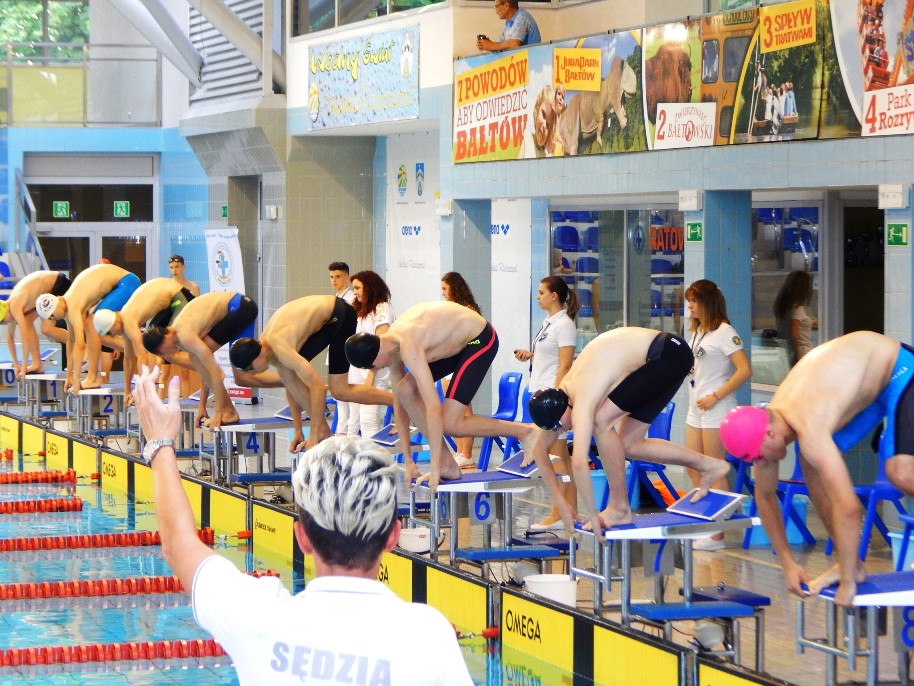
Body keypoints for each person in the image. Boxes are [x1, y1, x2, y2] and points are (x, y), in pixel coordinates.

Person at [130, 365, 472, 686]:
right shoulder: (427, 636)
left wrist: (160, 442)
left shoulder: (258, 616)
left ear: (303, 538)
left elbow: (179, 544)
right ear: (393, 536)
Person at [720, 331, 914, 608]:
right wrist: (787, 563)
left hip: (901, 369)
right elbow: (764, 496)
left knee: (902, 473)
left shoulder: (809, 426)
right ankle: (851, 565)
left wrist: (847, 585)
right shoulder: (771, 421)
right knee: (812, 468)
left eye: (759, 458)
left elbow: (848, 507)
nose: (760, 464)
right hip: (869, 381)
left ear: (770, 436)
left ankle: (849, 572)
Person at [525, 327, 731, 536]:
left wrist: (593, 514)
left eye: (559, 426)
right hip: (666, 356)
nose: (561, 430)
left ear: (564, 410)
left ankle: (619, 507)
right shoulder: (562, 399)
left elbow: (579, 462)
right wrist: (561, 504)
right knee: (628, 444)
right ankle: (708, 465)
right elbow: (540, 450)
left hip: (667, 353)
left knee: (601, 421)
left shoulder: (582, 398)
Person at [345, 300, 540, 491]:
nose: (377, 369)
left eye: (373, 366)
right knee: (405, 390)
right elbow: (399, 404)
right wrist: (409, 460)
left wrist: (434, 467)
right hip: (456, 345)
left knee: (451, 423)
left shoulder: (408, 344)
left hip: (479, 339)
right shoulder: (392, 347)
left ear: (374, 354)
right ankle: (448, 464)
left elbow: (433, 407)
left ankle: (525, 431)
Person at [227, 295, 393, 450]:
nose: (252, 373)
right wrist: (298, 429)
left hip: (339, 315)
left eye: (250, 369)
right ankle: (325, 434)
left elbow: (319, 388)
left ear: (256, 356)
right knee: (287, 373)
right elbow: (291, 385)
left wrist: (312, 436)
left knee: (340, 390)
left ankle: (396, 401)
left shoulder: (279, 347)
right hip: (325, 320)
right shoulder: (268, 350)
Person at [683, 279, 752, 550]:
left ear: (708, 303)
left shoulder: (725, 332)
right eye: (689, 300)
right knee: (692, 465)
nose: (690, 306)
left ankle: (717, 533)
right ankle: (706, 520)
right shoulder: (698, 332)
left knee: (714, 467)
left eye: (694, 301)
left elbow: (745, 370)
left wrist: (716, 395)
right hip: (695, 407)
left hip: (716, 408)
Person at [513, 276, 578, 531]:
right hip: (539, 395)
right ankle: (562, 512)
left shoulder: (565, 325)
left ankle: (561, 513)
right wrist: (531, 355)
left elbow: (565, 364)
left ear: (554, 296)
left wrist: (557, 398)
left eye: (542, 292)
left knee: (558, 458)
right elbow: (551, 358)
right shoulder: (549, 324)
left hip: (552, 401)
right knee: (552, 457)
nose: (537, 296)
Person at [142, 291, 257, 429]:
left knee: (242, 377)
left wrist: (218, 414)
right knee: (202, 361)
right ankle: (229, 411)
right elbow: (204, 367)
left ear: (163, 342)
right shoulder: (177, 337)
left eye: (162, 352)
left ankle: (229, 411)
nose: (165, 355)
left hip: (240, 307)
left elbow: (215, 372)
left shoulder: (184, 336)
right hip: (239, 306)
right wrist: (202, 406)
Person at [35, 263, 141, 393]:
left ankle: (93, 377)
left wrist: (76, 378)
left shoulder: (73, 306)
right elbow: (71, 342)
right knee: (94, 329)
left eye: (51, 317)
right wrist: (69, 376)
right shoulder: (67, 304)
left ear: (55, 307)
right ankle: (139, 350)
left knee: (91, 323)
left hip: (126, 283)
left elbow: (80, 345)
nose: (53, 320)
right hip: (123, 283)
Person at [93, 277, 195, 405]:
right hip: (167, 304)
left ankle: (205, 366)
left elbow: (142, 357)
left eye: (110, 332)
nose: (113, 335)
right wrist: (127, 391)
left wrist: (141, 392)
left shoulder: (128, 320)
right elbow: (129, 358)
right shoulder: (124, 322)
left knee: (175, 343)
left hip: (179, 297)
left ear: (113, 324)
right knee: (152, 342)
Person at [346, 271, 395, 439]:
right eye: (354, 288)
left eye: (358, 288)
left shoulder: (382, 308)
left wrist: (371, 377)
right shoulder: (360, 309)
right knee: (353, 422)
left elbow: (382, 344)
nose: (355, 292)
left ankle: (373, 461)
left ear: (370, 288)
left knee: (369, 419)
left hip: (375, 372)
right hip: (356, 371)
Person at [441, 272, 482, 468]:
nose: (443, 294)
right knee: (452, 412)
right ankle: (459, 451)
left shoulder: (468, 310)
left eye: (445, 289)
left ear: (454, 288)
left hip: (463, 362)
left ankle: (467, 453)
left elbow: (474, 338)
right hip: (449, 361)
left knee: (465, 411)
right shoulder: (450, 309)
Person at [2, 270, 70, 377]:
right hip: (44, 291)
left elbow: (25, 337)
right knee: (28, 321)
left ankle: (82, 346)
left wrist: (23, 368)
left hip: (58, 283)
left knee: (46, 329)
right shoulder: (9, 308)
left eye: (3, 321)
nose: (6, 323)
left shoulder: (15, 306)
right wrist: (16, 365)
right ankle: (37, 364)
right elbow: (9, 337)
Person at [329, 261, 355, 436]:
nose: (334, 280)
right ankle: (340, 434)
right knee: (339, 398)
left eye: (338, 277)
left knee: (349, 398)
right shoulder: (333, 300)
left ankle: (350, 436)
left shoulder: (352, 300)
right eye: (331, 277)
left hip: (348, 353)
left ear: (347, 278)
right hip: (335, 351)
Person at [773, 270, 816, 366]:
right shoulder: (797, 309)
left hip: (788, 350)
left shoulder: (784, 307)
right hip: (802, 351)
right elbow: (794, 334)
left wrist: (810, 323)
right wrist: (797, 355)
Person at [476, 0, 541, 52]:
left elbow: (514, 44)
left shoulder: (522, 17)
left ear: (506, 5)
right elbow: (501, 44)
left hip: (531, 64)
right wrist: (487, 44)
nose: (496, 11)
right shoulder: (508, 22)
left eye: (497, 6)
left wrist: (491, 45)